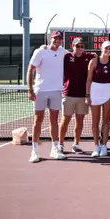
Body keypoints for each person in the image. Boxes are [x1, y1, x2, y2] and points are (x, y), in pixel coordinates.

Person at [27, 30, 66, 162]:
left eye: (60, 39)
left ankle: (55, 149)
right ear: (51, 38)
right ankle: (34, 151)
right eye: (55, 38)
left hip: (56, 91)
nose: (57, 41)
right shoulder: (40, 51)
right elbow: (30, 69)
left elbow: (77, 55)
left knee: (54, 120)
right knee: (38, 120)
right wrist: (30, 89)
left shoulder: (63, 52)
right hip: (41, 91)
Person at [57, 38, 97, 157]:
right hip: (68, 94)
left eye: (81, 46)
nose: (79, 48)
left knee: (80, 121)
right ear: (72, 46)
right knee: (65, 119)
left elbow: (101, 57)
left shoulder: (89, 57)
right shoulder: (66, 57)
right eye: (77, 46)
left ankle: (76, 144)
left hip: (83, 95)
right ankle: (60, 144)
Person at [86, 41, 110, 157]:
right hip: (95, 91)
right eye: (106, 48)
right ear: (101, 48)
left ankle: (104, 145)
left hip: (108, 91)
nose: (108, 50)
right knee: (95, 121)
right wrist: (87, 95)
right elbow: (88, 79)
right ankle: (96, 146)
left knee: (106, 121)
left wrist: (106, 84)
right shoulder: (93, 61)